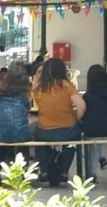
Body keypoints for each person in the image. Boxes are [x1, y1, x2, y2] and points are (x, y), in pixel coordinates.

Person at [33, 57, 86, 187]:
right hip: (67, 130)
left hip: (44, 131)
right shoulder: (67, 86)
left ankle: (44, 170)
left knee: (38, 140)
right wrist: (77, 118)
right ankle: (64, 171)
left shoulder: (39, 89)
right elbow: (81, 106)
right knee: (72, 142)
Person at [0, 62, 32, 185]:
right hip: (20, 134)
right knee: (22, 138)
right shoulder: (25, 93)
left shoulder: (1, 91)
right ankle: (23, 171)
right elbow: (28, 108)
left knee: (4, 136)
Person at [81, 64, 107, 183]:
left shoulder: (87, 96)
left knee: (91, 140)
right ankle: (101, 157)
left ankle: (92, 172)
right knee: (98, 134)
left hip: (91, 131)